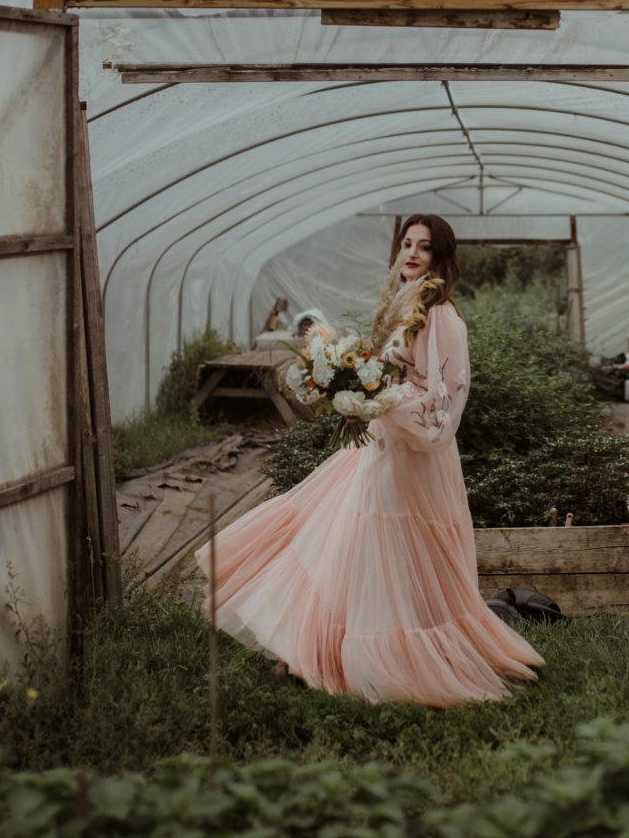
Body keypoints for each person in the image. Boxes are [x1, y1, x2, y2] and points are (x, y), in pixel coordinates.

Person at [195, 213, 543, 707]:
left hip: (414, 456)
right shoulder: (405, 306)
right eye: (406, 243)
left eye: (424, 246)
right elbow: (389, 372)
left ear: (441, 255)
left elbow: (442, 403)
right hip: (383, 446)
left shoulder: (440, 315)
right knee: (350, 543)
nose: (412, 253)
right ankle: (321, 647)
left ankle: (398, 657)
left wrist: (377, 394)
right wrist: (352, 382)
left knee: (393, 545)